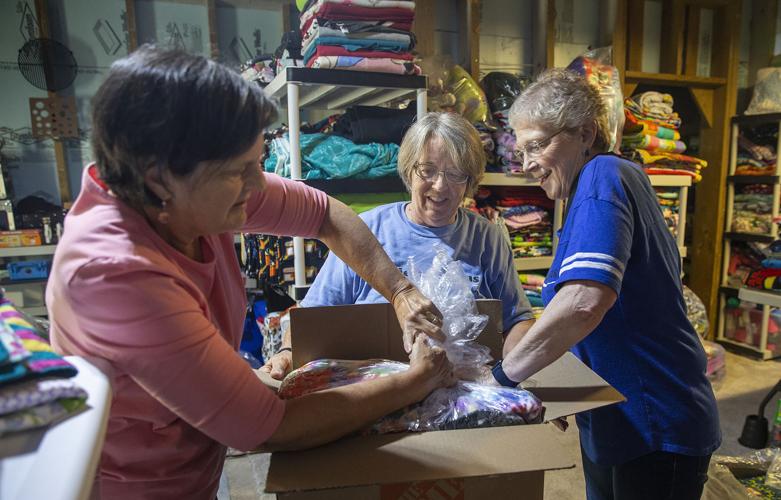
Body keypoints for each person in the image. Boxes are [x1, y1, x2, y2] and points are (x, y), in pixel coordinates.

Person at [45, 46, 455, 500]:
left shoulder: (188, 192)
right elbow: (268, 428)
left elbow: (325, 215)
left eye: (257, 163)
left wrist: (399, 291)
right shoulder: (113, 275)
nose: (258, 184)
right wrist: (414, 383)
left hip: (196, 463)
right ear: (158, 178)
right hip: (139, 486)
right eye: (240, 171)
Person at [483, 68, 720, 500]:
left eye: (538, 145)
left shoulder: (602, 177)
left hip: (654, 419)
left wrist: (503, 380)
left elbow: (584, 302)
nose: (528, 163)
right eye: (522, 150)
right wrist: (551, 384)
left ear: (586, 133)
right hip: (622, 416)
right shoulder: (602, 186)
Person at [262, 112, 536, 380]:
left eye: (455, 174)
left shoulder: (487, 238)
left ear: (470, 180)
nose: (440, 186)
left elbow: (518, 320)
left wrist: (508, 381)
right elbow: (314, 315)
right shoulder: (365, 230)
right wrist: (287, 352)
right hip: (372, 393)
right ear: (409, 170)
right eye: (427, 170)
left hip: (463, 391)